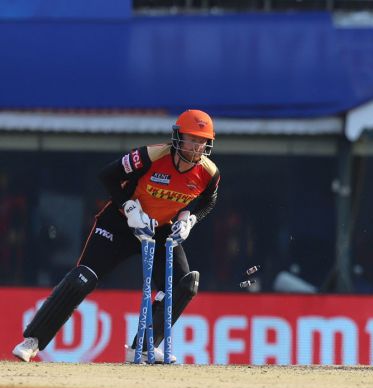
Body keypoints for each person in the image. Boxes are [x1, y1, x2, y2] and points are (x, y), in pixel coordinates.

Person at [12, 110, 220, 364]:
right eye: (192, 139)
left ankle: (142, 347)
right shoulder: (151, 156)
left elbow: (208, 201)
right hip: (120, 223)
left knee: (184, 284)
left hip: (161, 229)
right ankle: (32, 341)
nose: (197, 146)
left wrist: (189, 219)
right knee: (82, 278)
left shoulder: (209, 173)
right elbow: (107, 176)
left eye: (202, 141)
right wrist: (130, 209)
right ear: (179, 137)